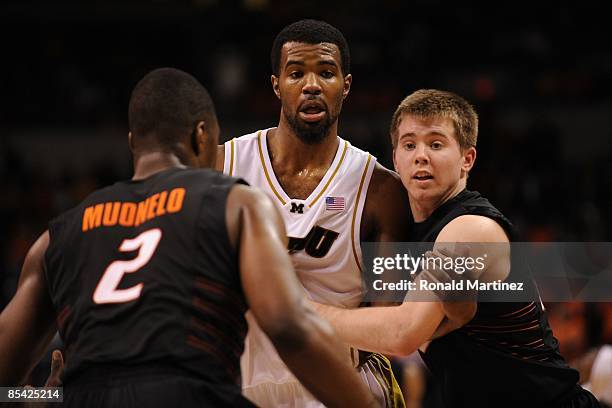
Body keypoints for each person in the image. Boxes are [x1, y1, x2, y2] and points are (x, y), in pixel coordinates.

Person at [0, 68, 378, 408]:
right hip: (192, 391)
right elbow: (287, 326)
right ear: (202, 137)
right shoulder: (237, 203)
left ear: (134, 142)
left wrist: (47, 397)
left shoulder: (58, 235)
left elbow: (6, 382)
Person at [216, 19, 473, 408]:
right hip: (238, 384)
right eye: (296, 73)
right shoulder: (222, 165)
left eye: (326, 72)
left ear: (345, 85)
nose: (312, 85)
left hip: (339, 385)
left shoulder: (380, 190)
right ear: (276, 85)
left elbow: (391, 322)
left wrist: (453, 301)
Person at [313, 89, 601, 407]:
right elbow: (391, 320)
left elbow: (402, 334)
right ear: (395, 158)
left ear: (467, 159)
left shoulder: (472, 230)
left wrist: (304, 311)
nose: (421, 155)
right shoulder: (406, 232)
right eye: (409, 145)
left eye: (436, 144)